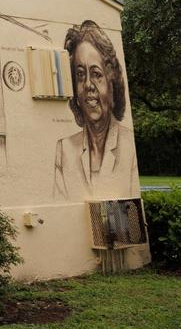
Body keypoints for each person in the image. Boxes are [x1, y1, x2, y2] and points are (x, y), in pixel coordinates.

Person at [53, 20, 138, 201]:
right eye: (80, 75)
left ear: (111, 81)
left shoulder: (129, 147)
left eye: (96, 74)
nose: (88, 85)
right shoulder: (65, 150)